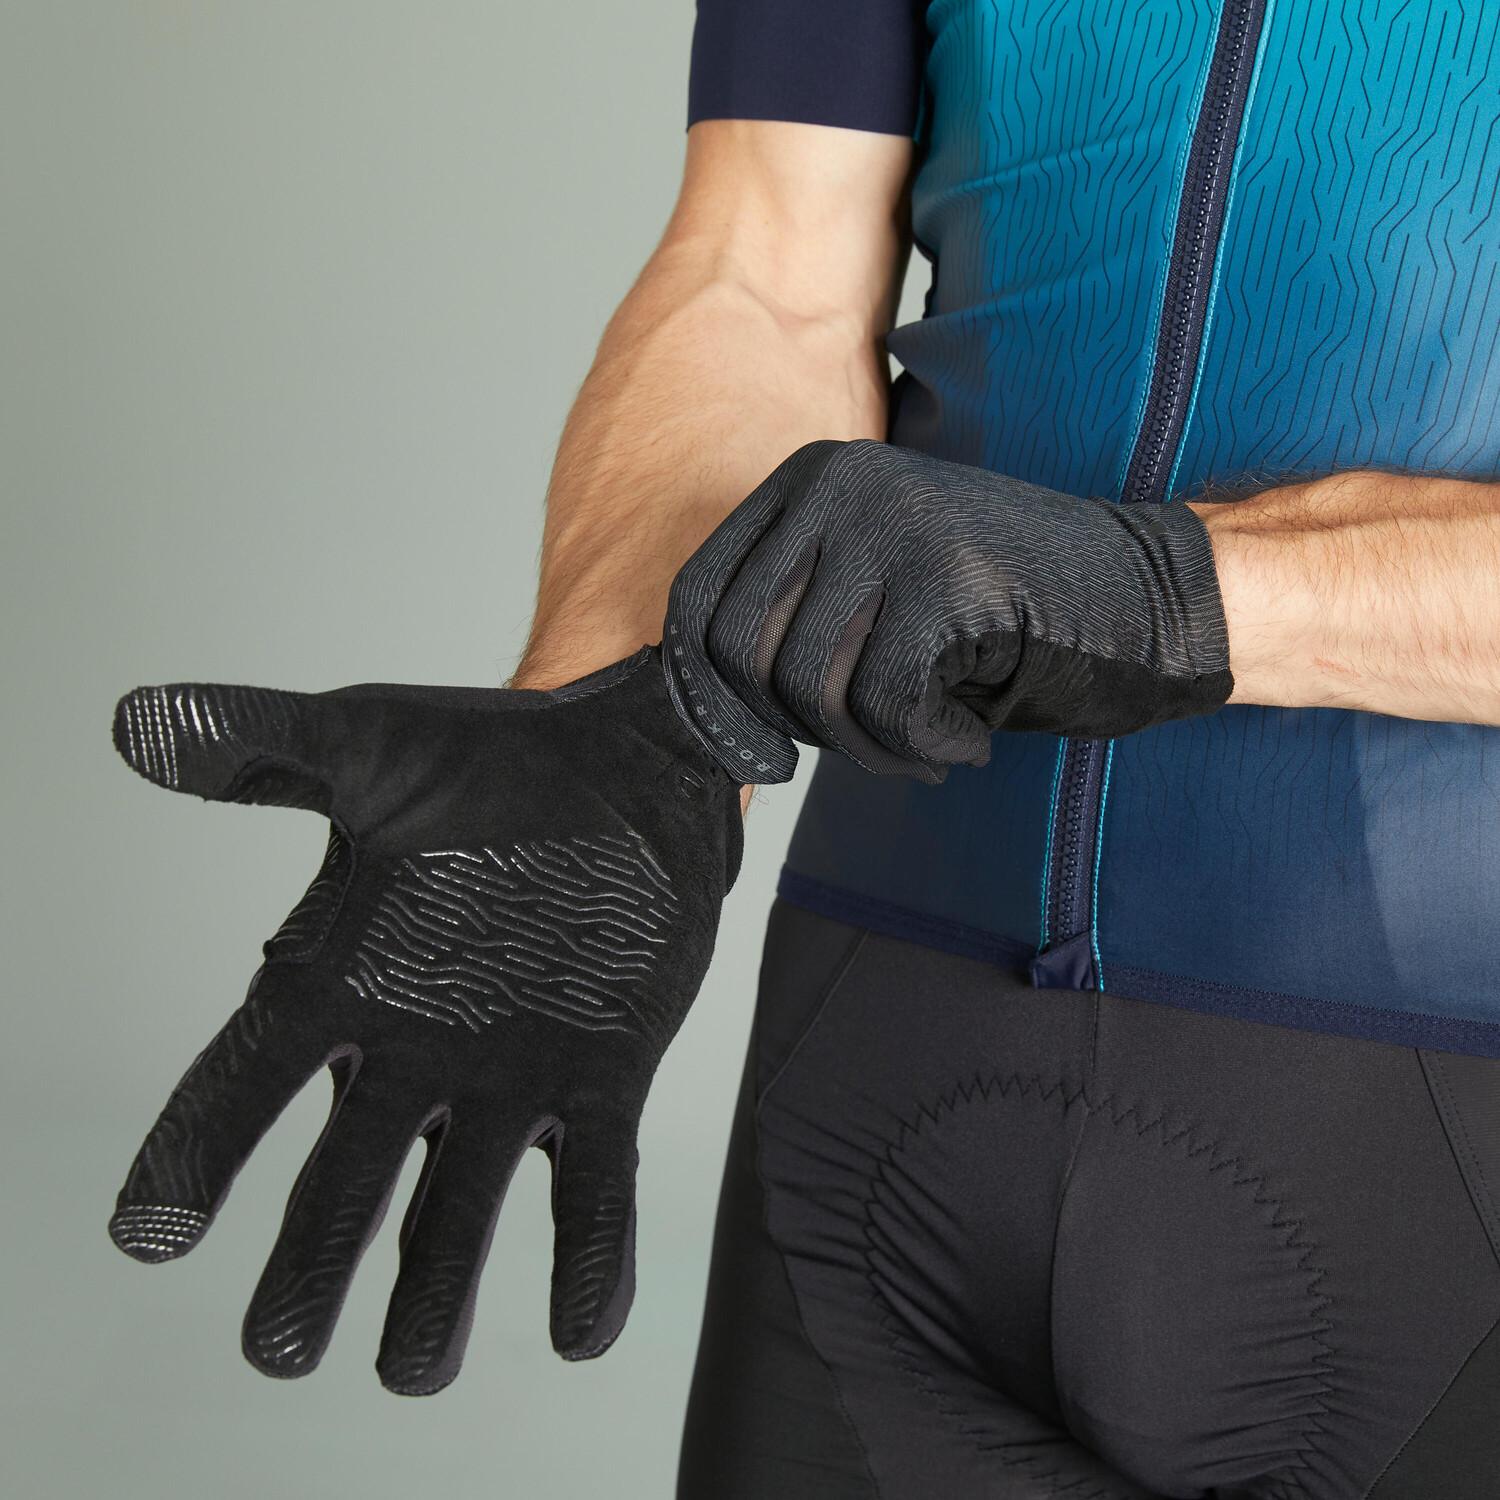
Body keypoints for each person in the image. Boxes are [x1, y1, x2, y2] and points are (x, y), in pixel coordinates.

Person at [107, 2, 1500, 1496]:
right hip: (879, 1069)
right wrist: (608, 732)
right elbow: (766, 272)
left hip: (1439, 1117)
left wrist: (1163, 592)